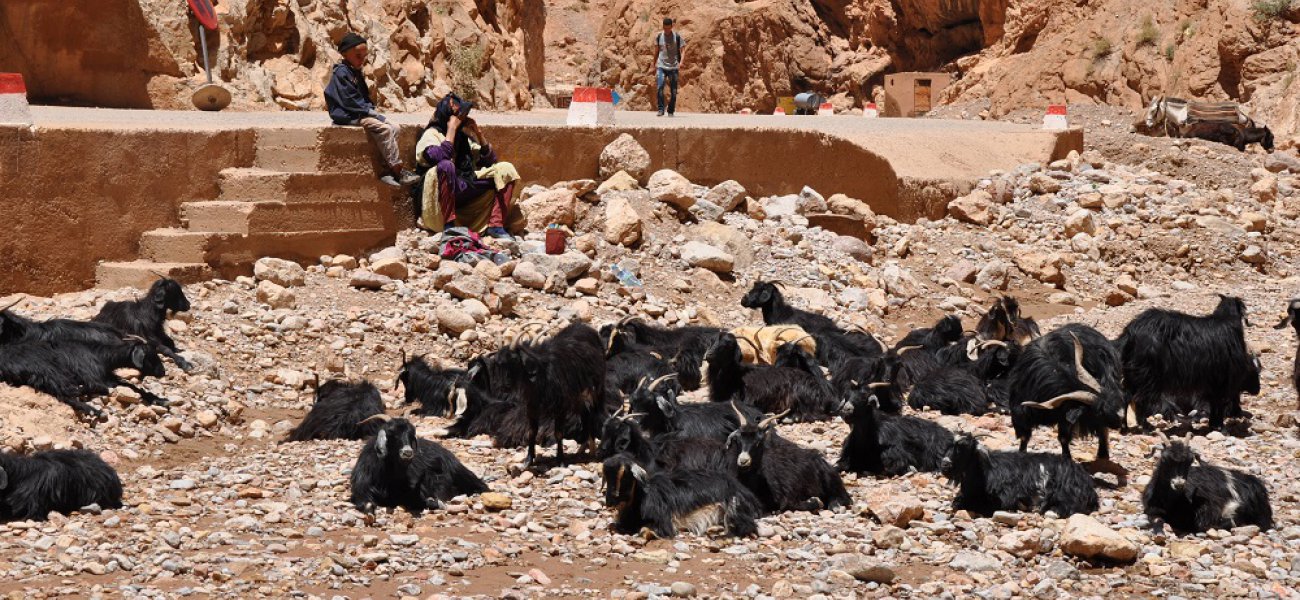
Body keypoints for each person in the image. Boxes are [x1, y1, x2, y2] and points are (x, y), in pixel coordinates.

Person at [414, 93, 523, 240]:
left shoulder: (464, 139)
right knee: (446, 165)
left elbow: (490, 160)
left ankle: (495, 226)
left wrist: (478, 133)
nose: (461, 120)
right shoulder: (431, 134)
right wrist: (451, 128)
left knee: (505, 169)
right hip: (440, 196)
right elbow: (441, 156)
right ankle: (449, 226)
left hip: (463, 184)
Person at [324, 32, 420, 188]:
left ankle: (387, 171)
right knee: (384, 129)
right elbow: (350, 101)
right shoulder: (341, 73)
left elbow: (363, 97)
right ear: (345, 54)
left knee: (395, 128)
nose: (362, 60)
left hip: (358, 112)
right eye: (358, 56)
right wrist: (371, 113)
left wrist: (372, 110)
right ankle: (398, 171)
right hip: (348, 115)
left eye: (364, 56)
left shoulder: (354, 71)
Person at [652, 18, 685, 117]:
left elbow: (683, 50)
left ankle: (670, 110)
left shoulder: (677, 37)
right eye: (664, 28)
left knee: (674, 91)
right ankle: (661, 109)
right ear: (663, 27)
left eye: (668, 28)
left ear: (671, 27)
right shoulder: (659, 36)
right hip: (661, 66)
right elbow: (656, 51)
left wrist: (681, 62)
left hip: (673, 67)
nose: (666, 30)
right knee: (660, 87)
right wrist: (653, 64)